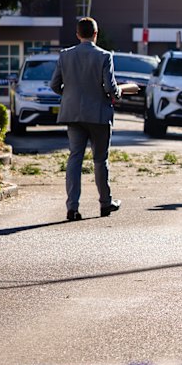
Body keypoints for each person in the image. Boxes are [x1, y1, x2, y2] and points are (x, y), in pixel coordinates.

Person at [50, 17, 135, 220]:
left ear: (78, 34)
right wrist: (122, 92)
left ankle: (72, 207)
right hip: (98, 114)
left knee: (75, 159)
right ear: (96, 34)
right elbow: (110, 88)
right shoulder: (105, 56)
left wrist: (70, 96)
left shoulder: (65, 55)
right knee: (99, 160)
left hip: (73, 115)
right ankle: (105, 203)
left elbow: (54, 85)